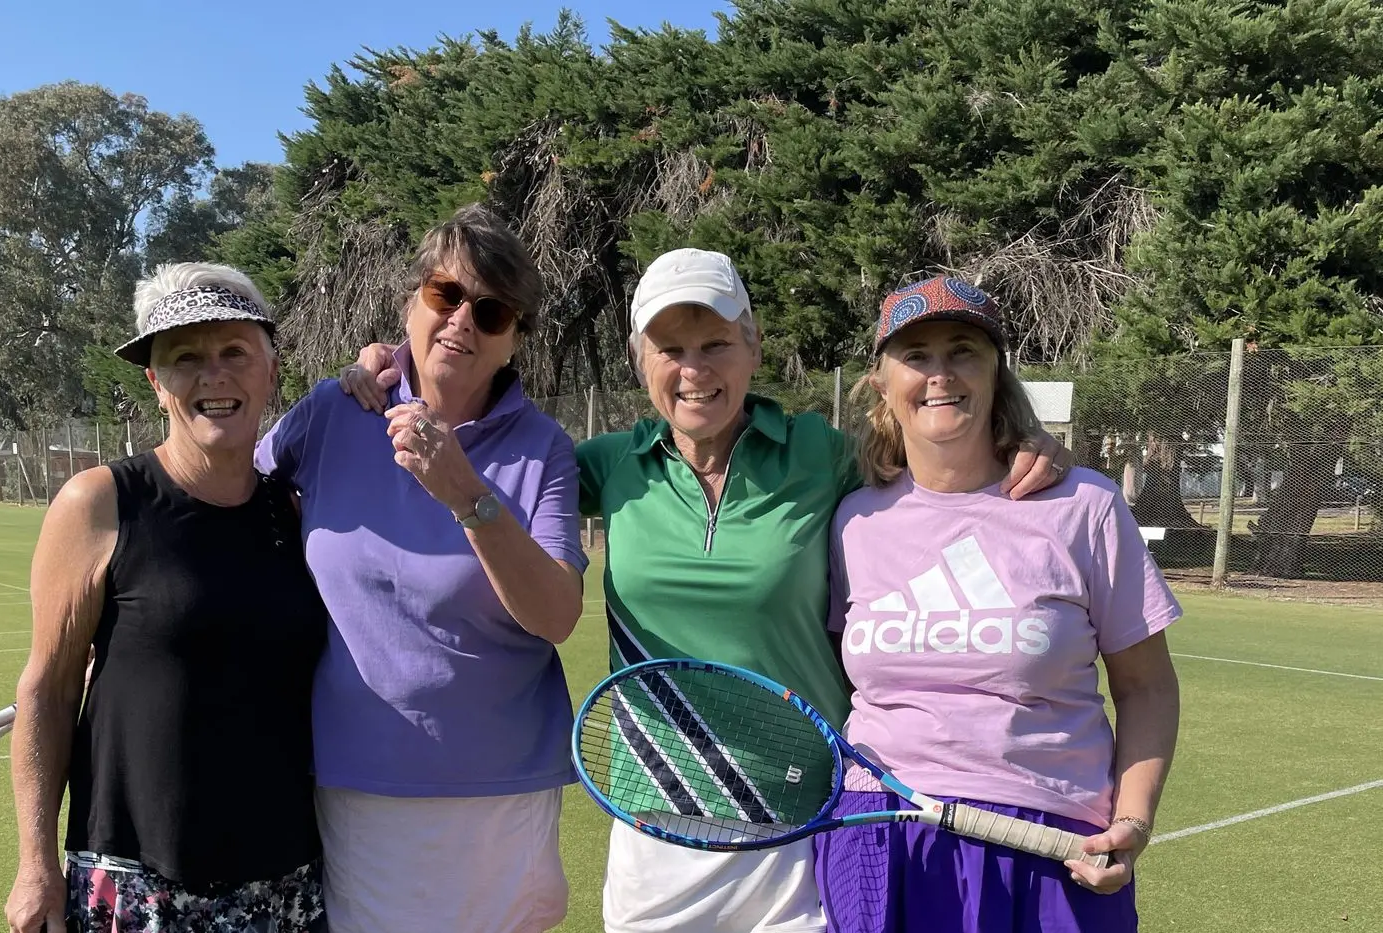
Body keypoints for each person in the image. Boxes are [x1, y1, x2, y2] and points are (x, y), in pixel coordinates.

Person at [342, 248, 1075, 932]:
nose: (695, 368)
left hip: (801, 819)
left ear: (753, 347)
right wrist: (390, 373)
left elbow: (943, 458)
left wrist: (1024, 436)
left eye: (716, 342)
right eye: (671, 348)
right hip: (656, 823)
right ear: (640, 362)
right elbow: (482, 447)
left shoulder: (824, 454)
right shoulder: (600, 464)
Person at [256, 203, 588, 933]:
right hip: (357, 784)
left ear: (513, 341)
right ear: (411, 303)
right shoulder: (332, 414)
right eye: (446, 294)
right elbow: (223, 498)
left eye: (492, 312)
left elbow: (558, 614)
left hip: (500, 795)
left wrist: (466, 494)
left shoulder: (543, 449)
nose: (462, 321)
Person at [818, 276, 1181, 933]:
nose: (940, 374)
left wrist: (1133, 817)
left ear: (995, 372)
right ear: (880, 381)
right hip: (879, 835)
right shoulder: (852, 517)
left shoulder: (1084, 506)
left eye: (962, 350)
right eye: (916, 355)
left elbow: (1148, 687)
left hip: (1047, 842)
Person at [5, 263, 327, 933]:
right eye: (185, 359)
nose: (213, 375)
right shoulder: (99, 504)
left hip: (283, 887)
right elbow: (48, 690)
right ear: (156, 383)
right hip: (135, 889)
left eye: (234, 352)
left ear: (270, 369)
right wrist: (35, 863)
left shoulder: (296, 515)